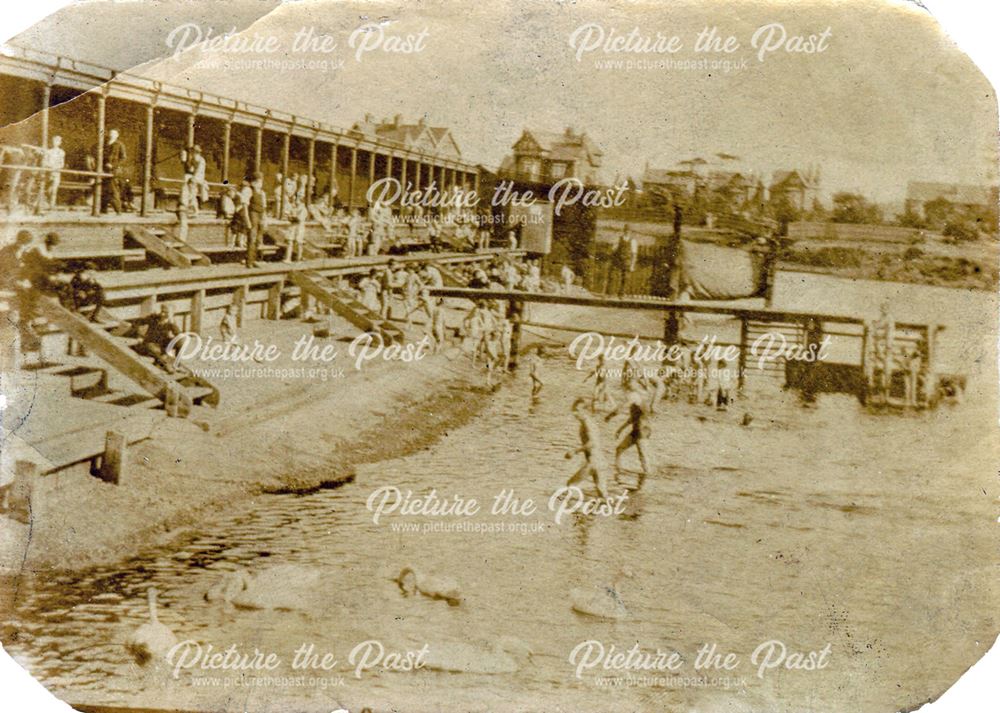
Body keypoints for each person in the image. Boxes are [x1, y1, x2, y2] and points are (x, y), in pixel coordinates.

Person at [605, 380, 651, 484]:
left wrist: (610, 416)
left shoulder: (634, 396)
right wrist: (620, 429)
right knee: (619, 449)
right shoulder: (639, 396)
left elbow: (622, 407)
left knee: (643, 455)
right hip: (637, 430)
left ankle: (647, 480)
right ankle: (618, 473)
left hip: (642, 431)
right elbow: (632, 418)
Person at [565, 398, 610, 499]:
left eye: (577, 410)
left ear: (585, 410)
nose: (574, 413)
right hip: (600, 461)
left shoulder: (588, 424)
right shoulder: (588, 422)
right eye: (574, 410)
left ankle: (572, 513)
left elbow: (592, 443)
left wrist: (574, 451)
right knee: (602, 493)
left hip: (593, 462)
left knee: (570, 486)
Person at [605, 225, 637, 297]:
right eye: (626, 230)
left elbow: (634, 254)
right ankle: (610, 293)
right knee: (613, 277)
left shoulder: (633, 241)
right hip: (618, 261)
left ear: (631, 232)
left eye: (629, 231)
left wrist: (632, 265)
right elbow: (613, 250)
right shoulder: (618, 239)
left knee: (625, 278)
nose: (627, 232)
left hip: (627, 262)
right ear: (624, 231)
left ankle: (621, 294)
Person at [245, 172, 267, 268]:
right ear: (253, 183)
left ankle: (255, 259)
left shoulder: (262, 193)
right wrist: (247, 220)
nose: (260, 184)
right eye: (257, 182)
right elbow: (245, 206)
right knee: (252, 238)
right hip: (252, 215)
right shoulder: (249, 191)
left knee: (259, 239)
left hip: (260, 215)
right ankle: (249, 261)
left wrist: (265, 220)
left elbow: (264, 208)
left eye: (261, 182)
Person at [103, 128, 126, 214]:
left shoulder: (119, 145)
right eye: (110, 133)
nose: (111, 134)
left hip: (114, 171)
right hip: (104, 169)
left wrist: (113, 166)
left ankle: (118, 210)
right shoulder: (105, 144)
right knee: (103, 189)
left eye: (114, 133)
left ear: (117, 135)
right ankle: (103, 210)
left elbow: (123, 158)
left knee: (113, 190)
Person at [40, 135, 65, 212]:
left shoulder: (61, 152)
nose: (55, 142)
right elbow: (44, 162)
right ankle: (46, 204)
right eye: (54, 140)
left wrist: (57, 167)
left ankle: (52, 206)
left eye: (57, 141)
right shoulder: (49, 152)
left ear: (60, 142)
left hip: (57, 173)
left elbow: (62, 164)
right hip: (49, 172)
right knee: (48, 190)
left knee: (54, 190)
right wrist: (50, 166)